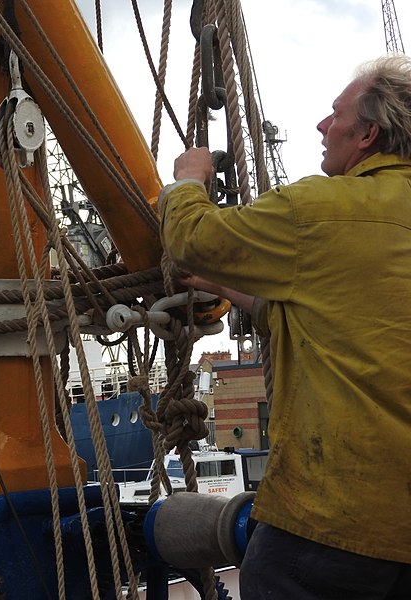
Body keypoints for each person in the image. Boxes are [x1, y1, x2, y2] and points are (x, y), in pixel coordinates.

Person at [158, 55, 411, 598]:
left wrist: (188, 181)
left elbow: (191, 238)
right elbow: (339, 317)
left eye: (334, 114)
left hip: (331, 524)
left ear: (367, 133)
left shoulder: (318, 210)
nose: (323, 126)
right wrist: (226, 287)